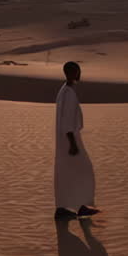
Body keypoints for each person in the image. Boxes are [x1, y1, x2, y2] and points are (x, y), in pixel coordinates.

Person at [54, 61, 99, 220]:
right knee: (85, 170)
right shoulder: (69, 93)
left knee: (67, 172)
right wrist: (72, 143)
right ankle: (82, 206)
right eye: (77, 71)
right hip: (70, 139)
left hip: (66, 139)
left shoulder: (64, 90)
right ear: (72, 73)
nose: (79, 74)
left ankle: (65, 207)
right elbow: (67, 120)